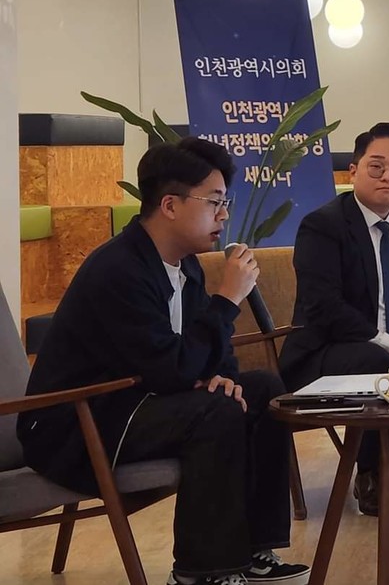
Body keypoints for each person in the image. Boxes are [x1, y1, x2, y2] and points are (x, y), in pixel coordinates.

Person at [17, 137, 310, 585]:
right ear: (170, 205)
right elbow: (168, 368)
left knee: (263, 391)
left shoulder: (184, 265)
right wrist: (227, 300)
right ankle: (199, 573)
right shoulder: (119, 269)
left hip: (136, 400)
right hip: (77, 422)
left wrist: (223, 376)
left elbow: (203, 351)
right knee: (214, 411)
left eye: (225, 203)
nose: (224, 215)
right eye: (214, 202)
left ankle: (254, 548)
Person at [279, 122, 389, 516]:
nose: (387, 176)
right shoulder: (323, 226)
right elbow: (325, 308)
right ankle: (371, 472)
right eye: (376, 167)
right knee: (377, 362)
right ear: (353, 171)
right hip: (326, 352)